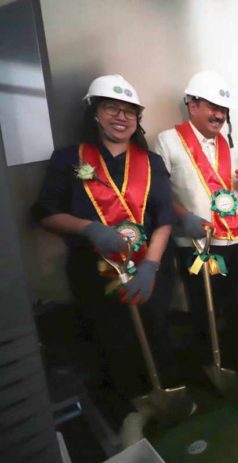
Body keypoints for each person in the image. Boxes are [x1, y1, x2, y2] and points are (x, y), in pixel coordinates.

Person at [33, 75, 183, 426]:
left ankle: (166, 399)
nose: (121, 116)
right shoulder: (69, 159)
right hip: (95, 271)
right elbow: (43, 213)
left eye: (130, 110)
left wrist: (151, 266)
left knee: (156, 331)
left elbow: (163, 217)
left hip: (151, 265)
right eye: (111, 107)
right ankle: (132, 411)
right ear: (94, 113)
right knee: (111, 339)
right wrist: (89, 228)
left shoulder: (151, 162)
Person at [154, 70, 238, 378]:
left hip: (236, 241)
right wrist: (182, 216)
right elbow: (159, 192)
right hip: (196, 246)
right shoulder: (168, 141)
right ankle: (212, 366)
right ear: (192, 105)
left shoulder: (230, 144)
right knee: (204, 307)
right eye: (212, 107)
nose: (218, 115)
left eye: (223, 109)